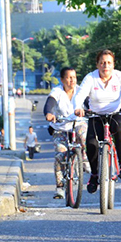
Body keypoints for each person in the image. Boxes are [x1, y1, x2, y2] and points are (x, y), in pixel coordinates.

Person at [80, 49, 121, 193]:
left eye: (108, 63)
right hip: (96, 115)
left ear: (113, 65)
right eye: (102, 63)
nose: (105, 66)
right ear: (97, 65)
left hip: (115, 113)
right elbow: (80, 94)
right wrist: (78, 107)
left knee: (119, 130)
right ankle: (94, 174)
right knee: (91, 144)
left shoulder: (120, 77)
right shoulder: (90, 78)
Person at [43, 67, 88, 199]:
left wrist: (90, 110)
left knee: (84, 136)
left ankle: (84, 159)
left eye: (74, 77)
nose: (72, 80)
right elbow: (49, 104)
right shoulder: (57, 92)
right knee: (60, 154)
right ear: (62, 80)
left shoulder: (80, 91)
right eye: (68, 77)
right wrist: (49, 113)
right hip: (60, 127)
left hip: (77, 124)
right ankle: (60, 187)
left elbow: (88, 103)